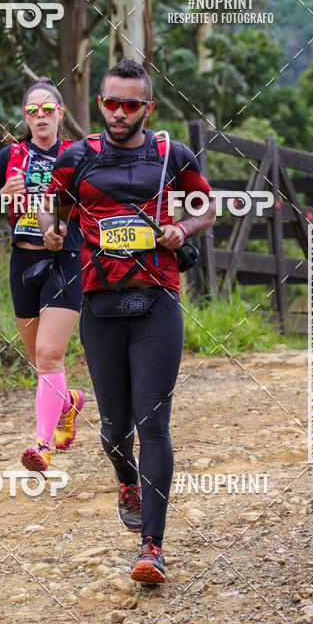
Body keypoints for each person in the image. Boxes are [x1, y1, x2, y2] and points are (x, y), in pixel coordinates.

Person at [40, 59, 215, 584]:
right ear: (100, 104)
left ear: (148, 108)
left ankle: (152, 548)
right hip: (99, 304)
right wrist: (51, 232)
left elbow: (207, 207)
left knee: (152, 423)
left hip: (157, 300)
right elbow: (54, 210)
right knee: (115, 432)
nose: (118, 113)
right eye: (109, 103)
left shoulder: (170, 155)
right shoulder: (77, 158)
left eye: (130, 105)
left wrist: (183, 229)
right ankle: (128, 481)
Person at [0, 78, 84, 472]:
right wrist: (1, 195)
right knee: (42, 366)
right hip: (22, 264)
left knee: (50, 355)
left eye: (48, 109)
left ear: (60, 113)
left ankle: (42, 445)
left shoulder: (77, 153)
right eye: (32, 110)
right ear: (26, 116)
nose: (41, 116)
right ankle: (68, 402)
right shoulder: (11, 155)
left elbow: (97, 204)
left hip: (65, 262)